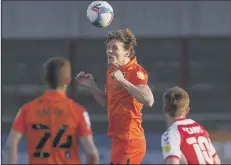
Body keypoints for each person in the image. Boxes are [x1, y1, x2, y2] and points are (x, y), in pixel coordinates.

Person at [76, 28, 154, 164]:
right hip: (118, 139)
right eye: (108, 48)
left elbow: (149, 100)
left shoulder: (135, 71)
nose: (109, 51)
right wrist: (92, 86)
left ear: (127, 52)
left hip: (131, 140)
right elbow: (108, 104)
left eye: (114, 48)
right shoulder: (111, 71)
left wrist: (123, 80)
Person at [5, 57, 99, 164]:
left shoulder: (27, 109)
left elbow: (10, 145)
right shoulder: (78, 111)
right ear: (68, 80)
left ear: (46, 78)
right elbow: (92, 153)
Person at [161, 86, 221, 164]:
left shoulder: (170, 134)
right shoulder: (200, 128)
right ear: (187, 110)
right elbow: (216, 161)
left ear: (165, 110)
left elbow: (172, 162)